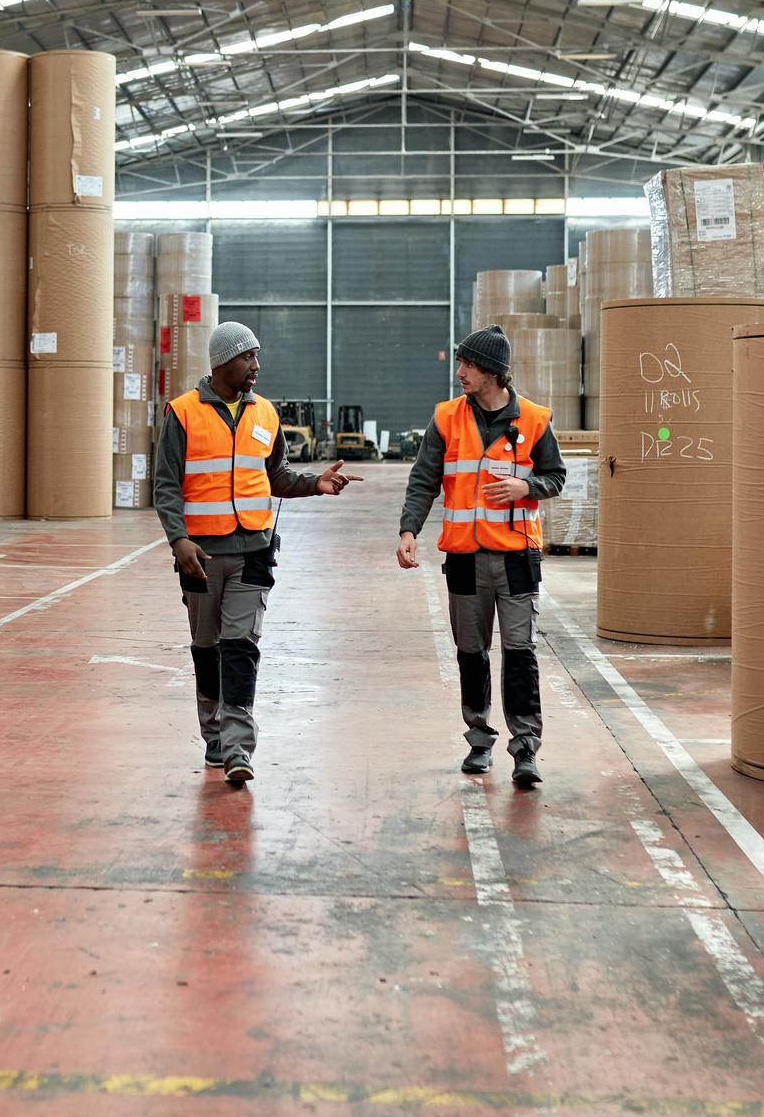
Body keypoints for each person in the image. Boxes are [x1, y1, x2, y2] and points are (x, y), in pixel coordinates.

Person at [154, 320, 356, 786]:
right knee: (207, 651)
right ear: (224, 361)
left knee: (240, 647)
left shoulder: (265, 414)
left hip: (254, 550)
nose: (257, 367)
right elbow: (165, 486)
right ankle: (214, 738)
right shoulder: (182, 413)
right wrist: (178, 540)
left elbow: (277, 476)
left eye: (257, 357)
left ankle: (239, 746)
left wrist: (316, 485)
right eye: (249, 357)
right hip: (200, 557)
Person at [395, 324, 567, 787]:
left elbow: (556, 476)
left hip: (516, 557)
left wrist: (525, 486)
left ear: (492, 372)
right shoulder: (447, 418)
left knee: (519, 654)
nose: (460, 372)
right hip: (466, 558)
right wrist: (409, 529)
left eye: (467, 364)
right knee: (471, 653)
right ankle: (478, 739)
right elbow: (424, 479)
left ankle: (526, 749)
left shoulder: (532, 419)